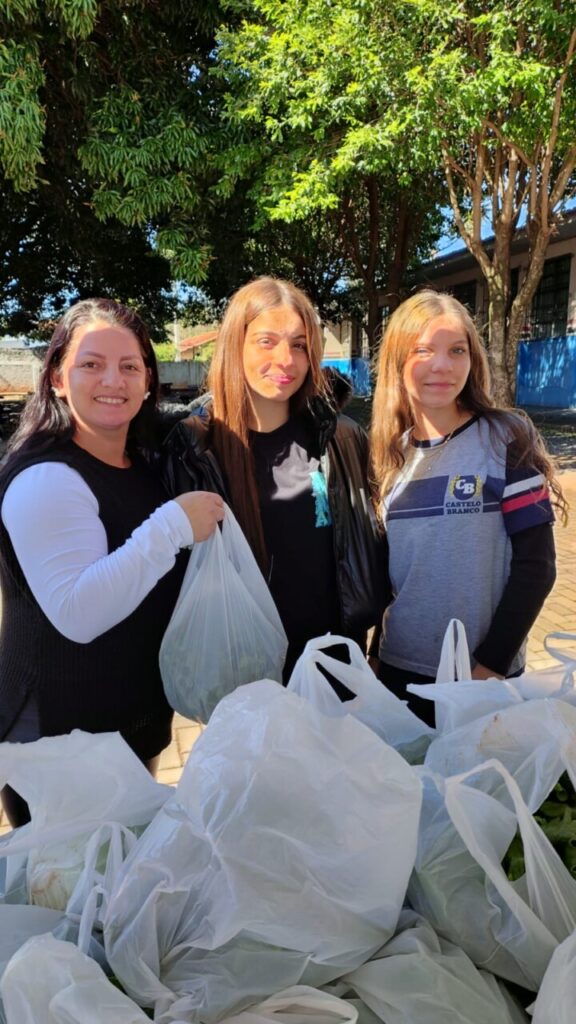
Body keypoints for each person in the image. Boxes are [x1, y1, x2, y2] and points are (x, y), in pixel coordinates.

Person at [0, 298, 224, 827]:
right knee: (67, 900)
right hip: (57, 740)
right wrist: (171, 526)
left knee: (120, 890)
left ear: (149, 381)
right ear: (57, 378)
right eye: (91, 364)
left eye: (129, 367)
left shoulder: (141, 463)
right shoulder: (46, 479)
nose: (113, 380)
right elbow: (79, 613)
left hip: (127, 724)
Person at [162, 276, 388, 683]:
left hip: (337, 664)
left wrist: (377, 646)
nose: (286, 359)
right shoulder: (197, 448)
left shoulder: (341, 436)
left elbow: (375, 546)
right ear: (236, 346)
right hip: (247, 675)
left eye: (299, 344)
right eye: (267, 341)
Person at [370, 289, 566, 726]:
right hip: (400, 671)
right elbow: (390, 575)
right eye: (423, 350)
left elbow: (538, 566)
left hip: (481, 677)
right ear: (397, 362)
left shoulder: (506, 437)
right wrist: (375, 657)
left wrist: (491, 667)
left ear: (472, 360)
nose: (442, 365)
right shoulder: (390, 457)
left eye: (456, 350)